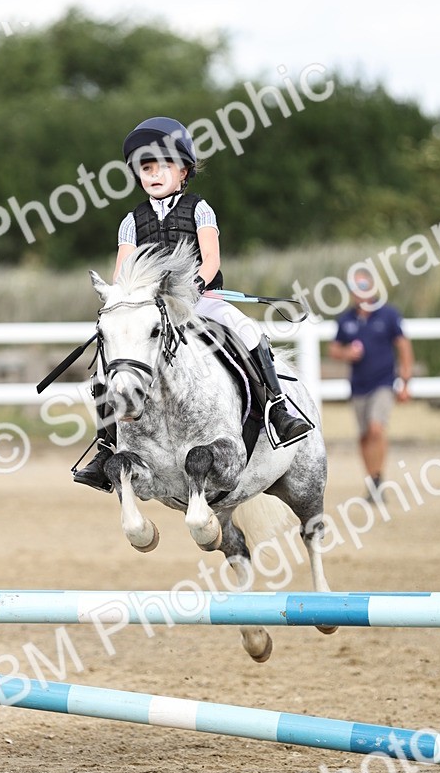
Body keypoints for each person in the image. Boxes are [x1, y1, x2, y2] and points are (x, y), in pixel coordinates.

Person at [73, 116, 311, 491]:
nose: (153, 174)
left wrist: (196, 285)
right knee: (107, 368)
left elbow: (211, 259)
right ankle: (106, 447)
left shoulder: (199, 209)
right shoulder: (131, 222)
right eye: (146, 168)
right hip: (152, 308)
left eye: (163, 166)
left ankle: (277, 410)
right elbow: (124, 272)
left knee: (248, 330)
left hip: (199, 301)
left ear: (184, 171)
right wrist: (122, 299)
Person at [328, 268, 415, 500]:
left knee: (377, 429)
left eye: (363, 286)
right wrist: (347, 353)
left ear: (373, 287)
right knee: (365, 435)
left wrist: (405, 381)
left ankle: (378, 478)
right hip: (358, 384)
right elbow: (334, 349)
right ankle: (373, 482)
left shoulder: (388, 315)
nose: (359, 292)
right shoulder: (346, 319)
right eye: (355, 288)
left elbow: (404, 347)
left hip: (384, 382)